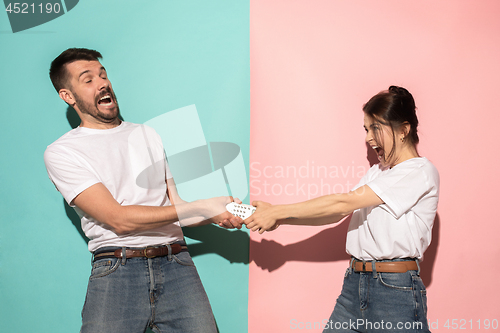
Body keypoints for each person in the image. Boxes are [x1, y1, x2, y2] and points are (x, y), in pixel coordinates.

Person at [44, 48, 243, 333]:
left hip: (177, 264)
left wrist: (216, 214)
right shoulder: (63, 152)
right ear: (68, 96)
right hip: (116, 269)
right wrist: (202, 206)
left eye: (103, 75)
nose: (102, 83)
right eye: (87, 80)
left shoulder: (147, 134)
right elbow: (118, 218)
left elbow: (177, 210)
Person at [245, 86, 439, 333]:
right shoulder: (377, 173)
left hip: (394, 290)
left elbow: (343, 202)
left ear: (403, 130)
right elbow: (337, 213)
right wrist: (280, 217)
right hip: (355, 286)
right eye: (366, 130)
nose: (368, 138)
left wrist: (278, 211)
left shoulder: (419, 172)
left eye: (375, 128)